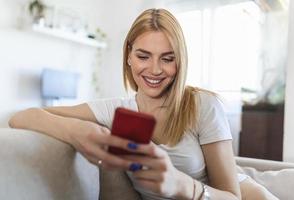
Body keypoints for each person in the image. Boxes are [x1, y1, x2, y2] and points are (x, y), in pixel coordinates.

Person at [9, 8, 278, 200]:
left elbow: (233, 196)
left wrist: (182, 186)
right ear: (128, 56)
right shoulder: (114, 111)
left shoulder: (202, 105)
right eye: (143, 56)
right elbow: (21, 117)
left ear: (180, 60)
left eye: (167, 58)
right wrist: (78, 132)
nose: (154, 69)